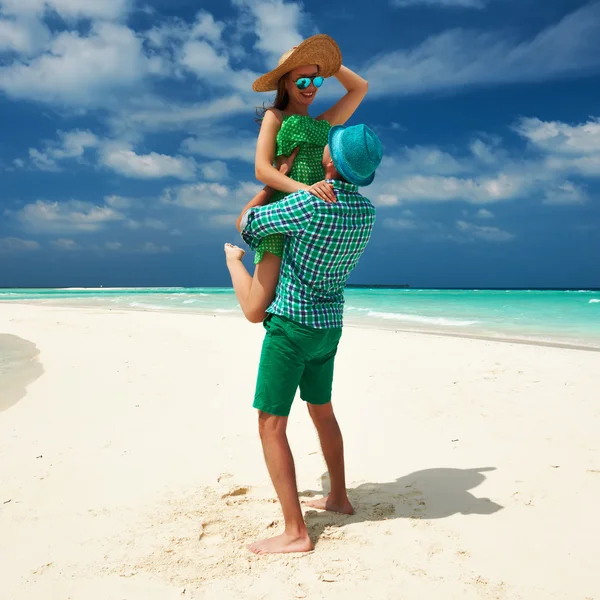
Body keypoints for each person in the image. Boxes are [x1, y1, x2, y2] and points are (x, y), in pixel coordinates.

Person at [225, 123, 383, 555]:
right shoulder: (367, 212)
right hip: (329, 325)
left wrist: (275, 176)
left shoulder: (308, 205)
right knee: (323, 412)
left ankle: (296, 532)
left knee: (271, 424)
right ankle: (339, 498)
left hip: (293, 324)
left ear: (328, 161)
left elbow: (247, 223)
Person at [225, 34, 368, 323]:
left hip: (313, 221)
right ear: (285, 83)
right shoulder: (275, 117)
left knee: (299, 301)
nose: (310, 87)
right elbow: (262, 170)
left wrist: (325, 63)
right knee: (255, 312)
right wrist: (306, 190)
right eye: (302, 81)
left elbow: (359, 87)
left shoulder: (323, 124)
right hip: (284, 213)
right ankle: (232, 260)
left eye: (316, 80)